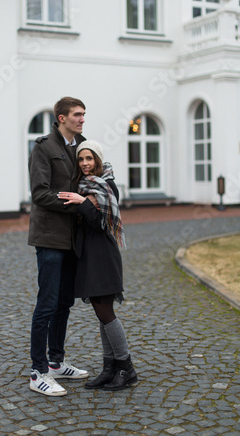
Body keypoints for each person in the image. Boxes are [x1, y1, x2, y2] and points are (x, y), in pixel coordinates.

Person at [58, 140, 138, 391]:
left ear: (98, 160)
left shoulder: (107, 185)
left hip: (102, 255)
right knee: (101, 315)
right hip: (89, 256)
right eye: (81, 159)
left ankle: (126, 368)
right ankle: (110, 368)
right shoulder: (85, 186)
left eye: (89, 159)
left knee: (107, 314)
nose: (85, 164)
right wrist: (81, 199)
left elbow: (99, 223)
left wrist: (81, 201)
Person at [28, 96, 89, 397]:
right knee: (47, 303)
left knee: (65, 302)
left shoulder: (82, 147)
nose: (81, 119)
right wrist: (77, 206)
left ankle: (56, 362)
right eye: (77, 115)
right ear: (61, 118)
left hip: (72, 239)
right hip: (50, 238)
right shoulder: (43, 148)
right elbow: (40, 194)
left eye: (83, 115)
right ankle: (37, 371)